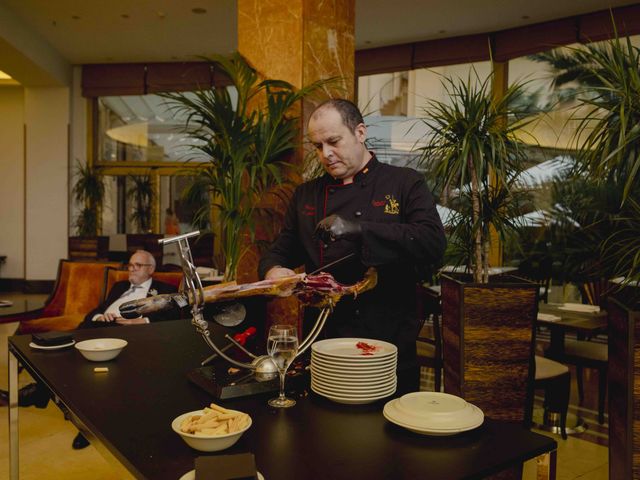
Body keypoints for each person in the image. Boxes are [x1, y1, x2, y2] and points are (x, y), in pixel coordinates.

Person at [258, 98, 446, 394]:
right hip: (323, 343)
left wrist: (357, 229)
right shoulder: (306, 195)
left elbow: (432, 242)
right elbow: (281, 249)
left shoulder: (405, 183)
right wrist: (273, 270)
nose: (326, 154)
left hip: (388, 342)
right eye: (317, 146)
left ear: (360, 132)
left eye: (333, 141)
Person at [80, 249, 178, 327]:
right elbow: (98, 310)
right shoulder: (119, 286)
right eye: (130, 265)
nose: (131, 269)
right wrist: (99, 317)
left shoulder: (165, 289)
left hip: (132, 332)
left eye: (138, 265)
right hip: (100, 326)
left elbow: (173, 316)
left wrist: (143, 321)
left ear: (151, 269)